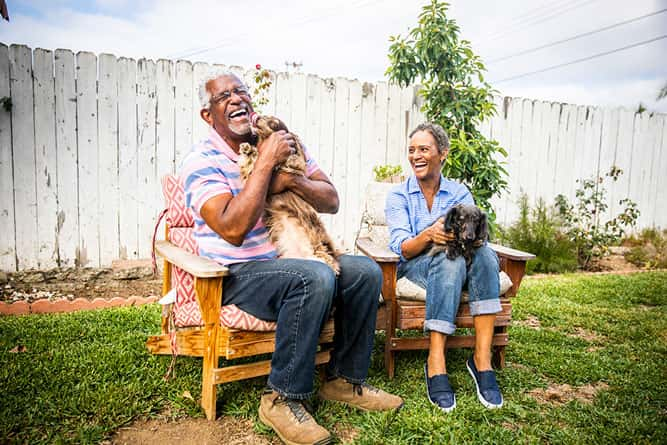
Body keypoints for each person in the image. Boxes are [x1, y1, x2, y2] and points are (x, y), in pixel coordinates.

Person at [180, 70, 403, 445]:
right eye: (223, 97)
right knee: (312, 276)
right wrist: (266, 165)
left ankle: (343, 381)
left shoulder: (281, 142)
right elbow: (232, 228)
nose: (236, 99)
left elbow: (330, 199)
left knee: (364, 271)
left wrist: (292, 179)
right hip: (236, 274)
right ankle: (281, 399)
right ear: (209, 115)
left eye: (241, 92)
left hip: (295, 255)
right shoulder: (201, 161)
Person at [385, 122, 503, 412]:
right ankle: (435, 361)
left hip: (462, 263)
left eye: (424, 149)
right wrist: (428, 235)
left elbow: (476, 237)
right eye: (412, 150)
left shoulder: (459, 193)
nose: (416, 156)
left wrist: (467, 238)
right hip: (416, 267)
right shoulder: (399, 196)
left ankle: (482, 360)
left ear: (443, 154)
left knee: (486, 256)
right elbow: (401, 248)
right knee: (448, 261)